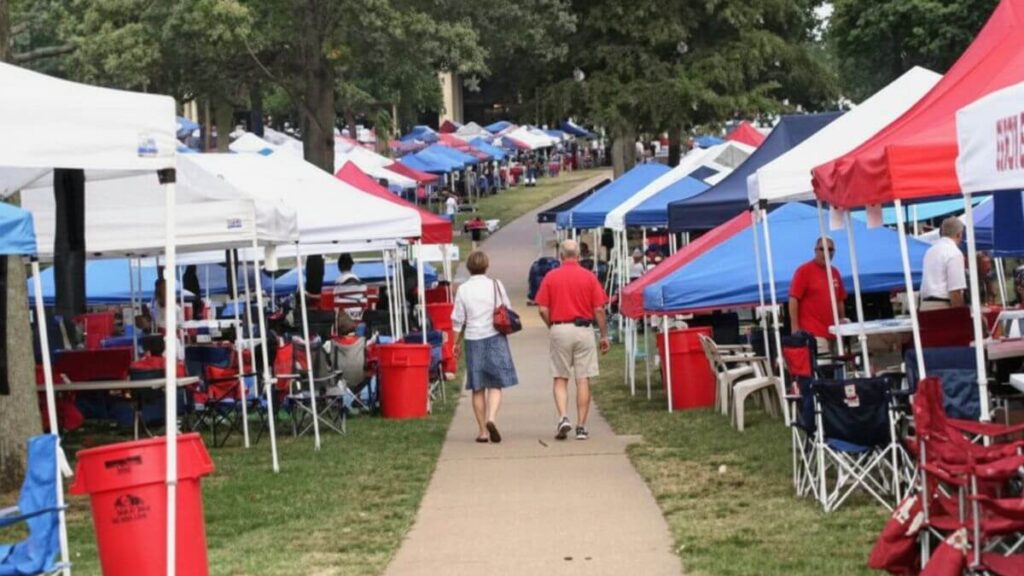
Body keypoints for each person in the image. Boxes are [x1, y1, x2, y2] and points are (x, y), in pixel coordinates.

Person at [535, 239, 610, 441]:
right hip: (584, 329)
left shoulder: (551, 277)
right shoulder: (589, 277)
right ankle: (582, 426)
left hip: (560, 327)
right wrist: (603, 335)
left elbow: (542, 307)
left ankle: (563, 417)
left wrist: (552, 324)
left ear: (561, 256)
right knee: (583, 378)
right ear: (578, 256)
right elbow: (599, 309)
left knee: (560, 377)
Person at [451, 251, 519, 443]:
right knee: (495, 383)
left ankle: (482, 431)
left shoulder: (463, 290)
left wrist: (455, 343)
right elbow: (507, 307)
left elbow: (457, 320)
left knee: (478, 386)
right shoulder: (495, 285)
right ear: (486, 266)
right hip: (495, 335)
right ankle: (491, 418)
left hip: (474, 338)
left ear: (469, 267)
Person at [788, 237, 846, 352]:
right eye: (822, 249)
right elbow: (793, 299)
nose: (826, 253)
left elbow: (840, 300)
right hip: (814, 333)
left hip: (834, 332)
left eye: (830, 250)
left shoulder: (835, 272)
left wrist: (842, 321)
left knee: (838, 366)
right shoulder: (804, 271)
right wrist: (795, 328)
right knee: (822, 367)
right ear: (815, 250)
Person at [920, 217, 967, 310]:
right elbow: (955, 290)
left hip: (924, 305)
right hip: (942, 306)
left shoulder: (929, 251)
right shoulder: (954, 253)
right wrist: (960, 315)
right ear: (959, 234)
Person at [333, 253, 367, 320]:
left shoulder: (338, 285)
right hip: (359, 317)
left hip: (345, 320)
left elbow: (336, 307)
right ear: (351, 266)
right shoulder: (362, 285)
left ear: (339, 266)